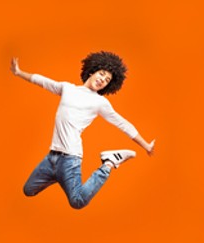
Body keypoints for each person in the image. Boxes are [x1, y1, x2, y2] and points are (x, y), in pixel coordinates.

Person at [10, 51, 156, 209]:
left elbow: (123, 124)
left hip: (70, 158)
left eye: (107, 80)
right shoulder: (67, 88)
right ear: (92, 71)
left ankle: (109, 162)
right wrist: (18, 72)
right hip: (51, 157)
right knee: (28, 190)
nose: (102, 80)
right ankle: (59, 176)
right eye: (101, 74)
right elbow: (43, 81)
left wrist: (146, 145)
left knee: (77, 201)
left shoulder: (100, 102)